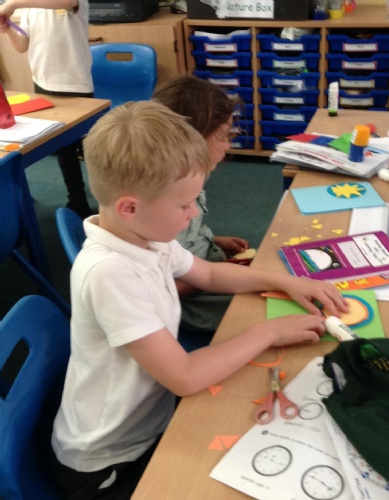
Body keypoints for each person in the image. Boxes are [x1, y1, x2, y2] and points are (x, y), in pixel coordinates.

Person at [50, 100, 349, 499]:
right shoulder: (110, 273)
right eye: (184, 204)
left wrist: (285, 281)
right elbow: (184, 377)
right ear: (129, 207)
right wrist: (268, 332)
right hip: (107, 462)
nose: (194, 214)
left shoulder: (144, 236)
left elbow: (208, 273)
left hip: (149, 419)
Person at [153, 76, 249, 341]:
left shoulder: (183, 184)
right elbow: (169, 289)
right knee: (258, 307)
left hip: (204, 271)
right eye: (223, 136)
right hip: (194, 302)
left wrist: (214, 240)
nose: (228, 144)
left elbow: (184, 239)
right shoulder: (164, 207)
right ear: (192, 141)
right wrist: (215, 272)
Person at [0, 0, 94, 218]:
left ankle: (110, 196)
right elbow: (22, 45)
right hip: (43, 85)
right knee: (64, 151)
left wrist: (13, 4)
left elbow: (68, 2)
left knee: (90, 150)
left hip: (75, 87)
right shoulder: (30, 7)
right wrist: (7, 29)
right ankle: (77, 200)